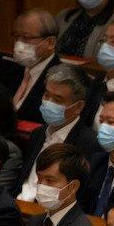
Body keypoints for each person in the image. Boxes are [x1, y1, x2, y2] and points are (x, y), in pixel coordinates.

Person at [16, 65, 102, 202]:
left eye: (58, 100)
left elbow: (83, 197)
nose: (48, 103)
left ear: (78, 107)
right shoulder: (37, 134)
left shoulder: (90, 145)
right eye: (46, 95)